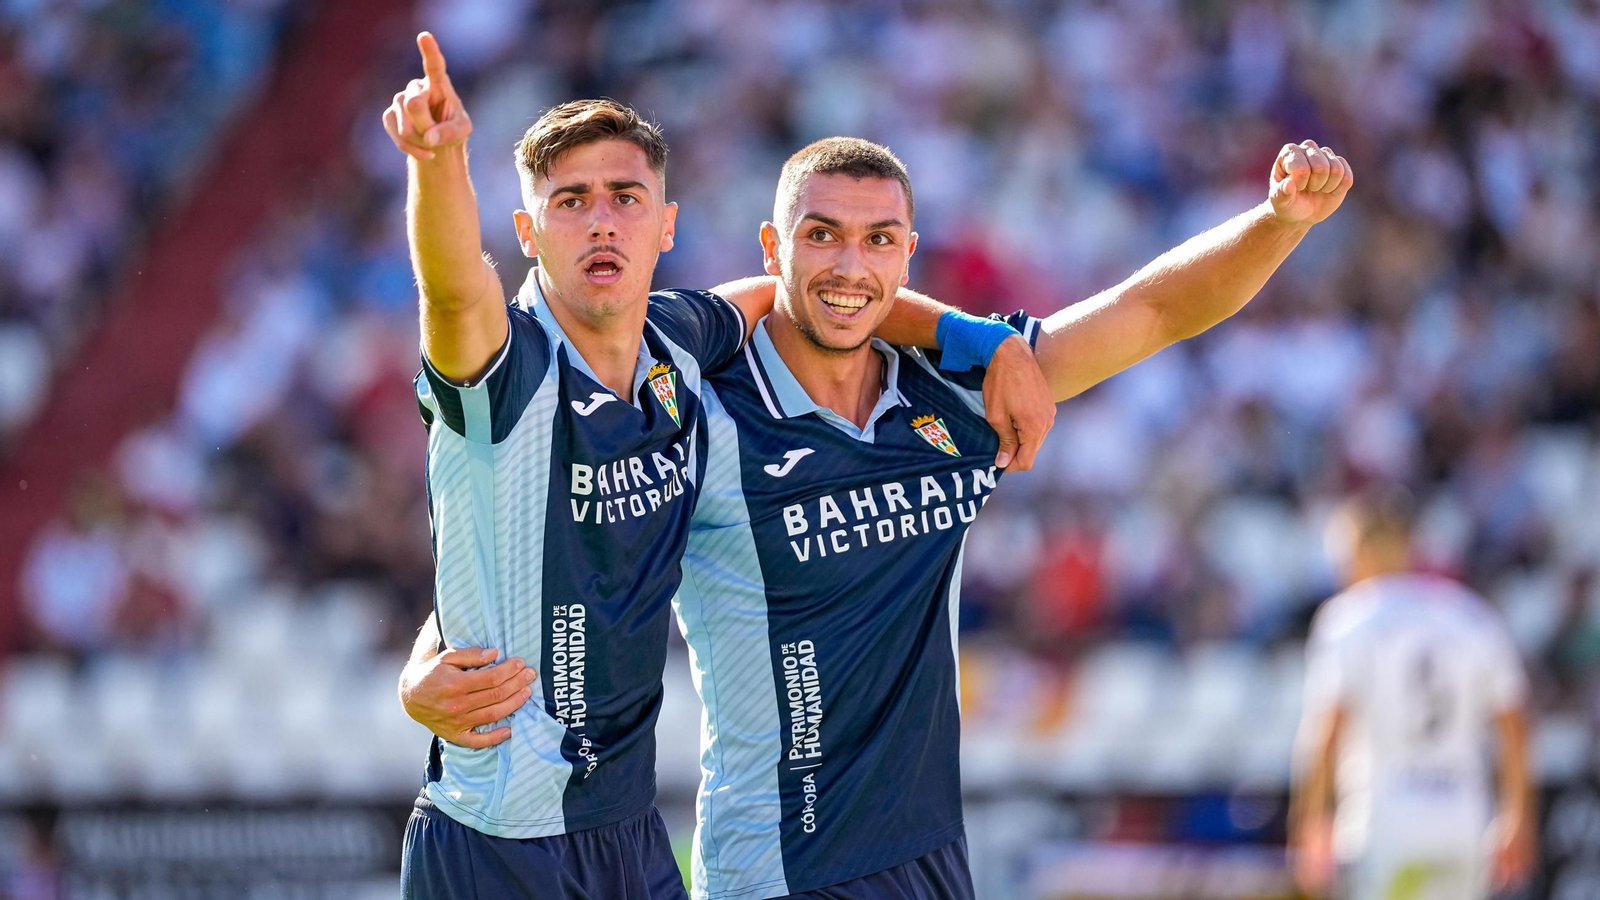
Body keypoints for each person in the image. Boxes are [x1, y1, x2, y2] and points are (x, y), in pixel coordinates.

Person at [380, 32, 1053, 900]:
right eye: (571, 201)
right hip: (498, 836)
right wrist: (438, 166)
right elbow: (452, 290)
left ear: (665, 224)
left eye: (625, 197)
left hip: (629, 836)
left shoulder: (682, 343)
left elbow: (809, 288)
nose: (601, 219)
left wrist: (975, 336)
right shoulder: (505, 371)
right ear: (529, 231)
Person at [667, 134, 1351, 899]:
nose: (851, 266)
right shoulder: (704, 412)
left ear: (909, 253)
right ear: (772, 245)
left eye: (879, 240)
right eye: (820, 234)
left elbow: (1154, 311)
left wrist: (1277, 220)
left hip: (928, 861)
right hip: (774, 868)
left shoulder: (960, 391)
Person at [1291, 488, 1537, 900]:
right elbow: (1515, 725)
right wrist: (1517, 816)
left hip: (1386, 822)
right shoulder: (1470, 615)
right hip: (1464, 818)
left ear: (1359, 550)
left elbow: (1327, 730)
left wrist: (1312, 820)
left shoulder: (1350, 618)